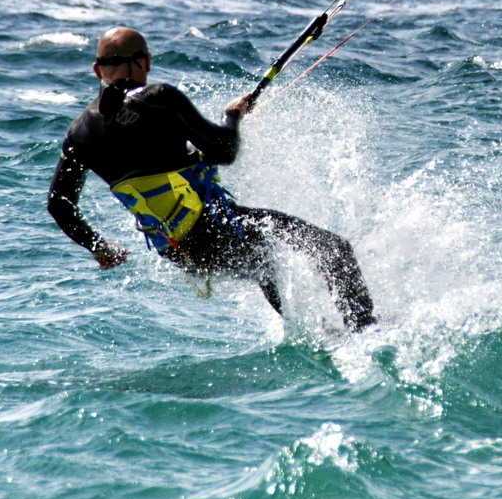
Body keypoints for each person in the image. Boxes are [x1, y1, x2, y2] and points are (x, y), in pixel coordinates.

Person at [47, 27, 376, 331]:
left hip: (180, 251)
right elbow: (224, 151)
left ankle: (312, 330)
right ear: (144, 62)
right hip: (216, 231)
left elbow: (59, 205)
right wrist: (231, 115)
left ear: (97, 70)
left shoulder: (78, 134)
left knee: (265, 262)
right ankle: (363, 329)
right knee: (334, 249)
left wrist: (98, 246)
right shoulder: (158, 98)